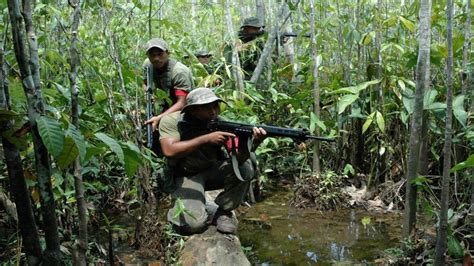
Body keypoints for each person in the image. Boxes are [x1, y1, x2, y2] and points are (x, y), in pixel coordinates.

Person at [158, 87, 267, 234]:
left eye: (215, 106)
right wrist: (206, 139)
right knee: (192, 225)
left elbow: (238, 159)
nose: (213, 112)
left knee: (246, 167)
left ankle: (223, 211)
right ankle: (180, 207)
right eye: (206, 108)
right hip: (184, 176)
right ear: (192, 110)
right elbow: (169, 150)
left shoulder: (220, 124)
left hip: (211, 171)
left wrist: (254, 143)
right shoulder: (172, 121)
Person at [143, 38, 194, 154]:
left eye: (160, 54)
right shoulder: (148, 65)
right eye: (152, 55)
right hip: (168, 103)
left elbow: (182, 102)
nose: (156, 58)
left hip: (186, 108)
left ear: (168, 53)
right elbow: (145, 83)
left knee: (166, 123)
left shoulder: (179, 72)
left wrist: (159, 117)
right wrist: (148, 97)